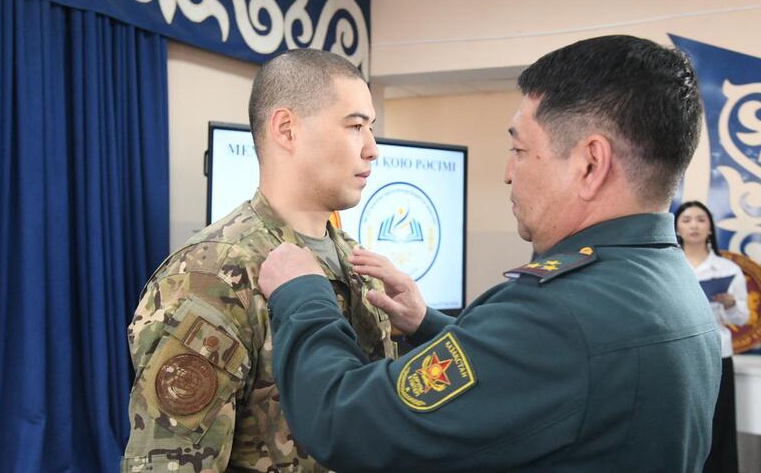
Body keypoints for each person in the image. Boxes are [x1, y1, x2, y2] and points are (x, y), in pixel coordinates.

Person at [257, 35, 723, 472]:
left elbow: (344, 421)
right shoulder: (665, 280)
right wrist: (428, 326)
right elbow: (536, 381)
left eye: (519, 149)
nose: (507, 172)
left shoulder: (561, 315)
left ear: (590, 164)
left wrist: (303, 297)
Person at [121, 49, 396, 472]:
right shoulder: (211, 276)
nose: (372, 149)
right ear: (287, 129)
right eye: (355, 126)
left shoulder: (357, 265)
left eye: (370, 128)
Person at [675, 200, 749, 473]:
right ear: (677, 229)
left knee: (719, 425)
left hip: (718, 355)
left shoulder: (728, 270)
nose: (694, 225)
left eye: (700, 219)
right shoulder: (668, 267)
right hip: (677, 358)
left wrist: (730, 304)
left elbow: (741, 319)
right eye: (686, 219)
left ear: (710, 228)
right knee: (681, 427)